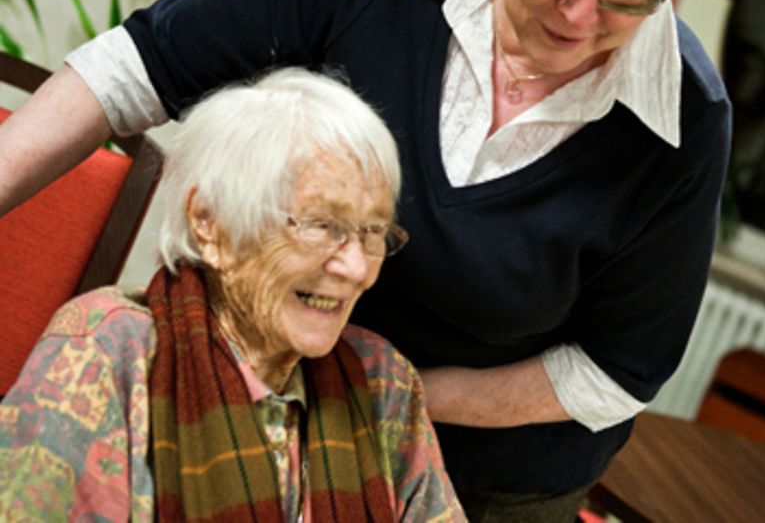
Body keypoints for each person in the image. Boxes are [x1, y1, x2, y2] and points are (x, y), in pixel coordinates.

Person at [0, 0, 743, 518]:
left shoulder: (683, 122)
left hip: (482, 473)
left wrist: (384, 394)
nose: (580, 16)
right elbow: (144, 64)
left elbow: (618, 369)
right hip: (258, 380)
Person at [0, 69, 465, 522]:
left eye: (373, 232)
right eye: (322, 225)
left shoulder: (383, 384)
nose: (357, 267)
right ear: (210, 225)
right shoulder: (105, 354)